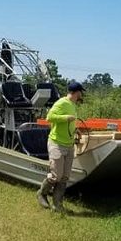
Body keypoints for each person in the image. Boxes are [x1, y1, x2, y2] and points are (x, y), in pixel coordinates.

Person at [37, 81, 85, 212]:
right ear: (76, 92)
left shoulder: (73, 105)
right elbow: (49, 117)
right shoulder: (61, 103)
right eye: (81, 92)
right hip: (57, 143)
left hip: (69, 145)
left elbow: (71, 122)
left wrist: (76, 130)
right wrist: (65, 118)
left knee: (64, 177)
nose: (82, 95)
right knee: (55, 176)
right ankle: (41, 194)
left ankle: (58, 205)